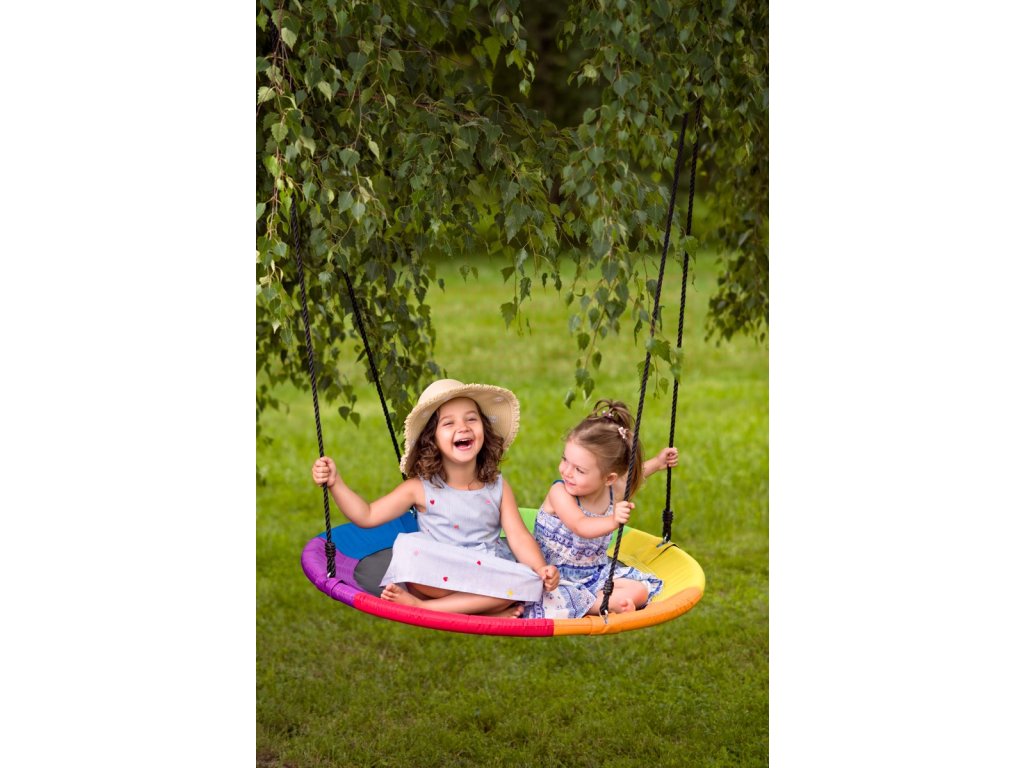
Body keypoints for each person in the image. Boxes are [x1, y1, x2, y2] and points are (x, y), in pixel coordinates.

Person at [312, 378, 559, 617]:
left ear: (484, 429)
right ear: (432, 439)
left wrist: (541, 569)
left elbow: (518, 536)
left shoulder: (498, 487)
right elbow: (367, 516)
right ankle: (482, 608)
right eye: (448, 423)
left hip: (484, 573)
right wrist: (336, 483)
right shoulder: (419, 488)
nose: (463, 427)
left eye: (471, 419)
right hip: (436, 575)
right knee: (411, 552)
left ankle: (430, 608)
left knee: (529, 581)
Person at [523, 399, 678, 619]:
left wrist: (658, 463)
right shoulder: (560, 493)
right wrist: (613, 521)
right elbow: (581, 525)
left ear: (608, 478)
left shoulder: (612, 491)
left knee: (640, 589)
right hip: (551, 577)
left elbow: (632, 477)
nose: (566, 471)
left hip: (593, 576)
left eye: (579, 470)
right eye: (565, 460)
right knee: (556, 597)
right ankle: (597, 604)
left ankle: (600, 601)